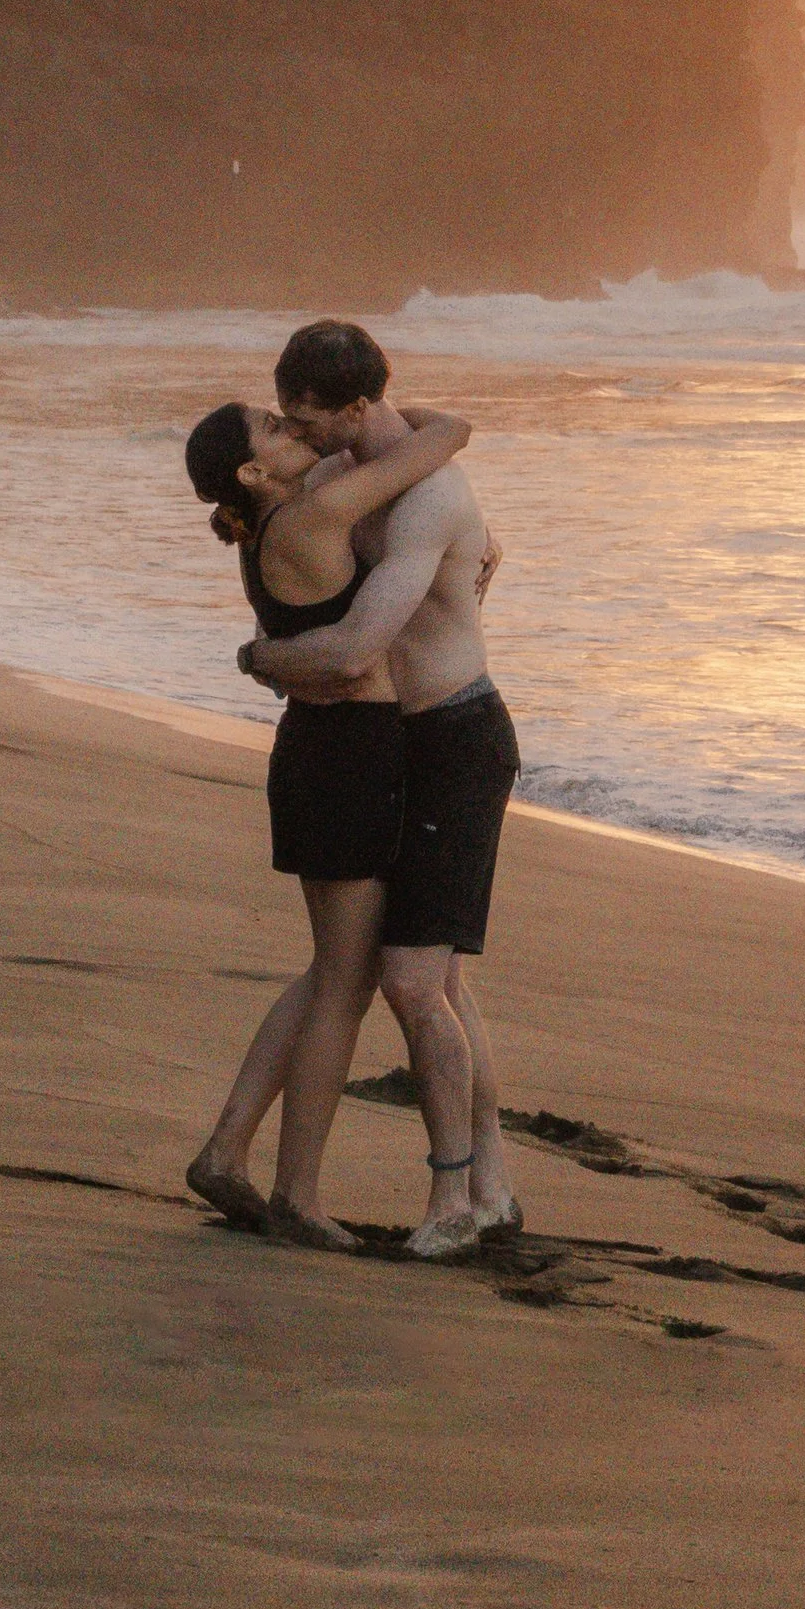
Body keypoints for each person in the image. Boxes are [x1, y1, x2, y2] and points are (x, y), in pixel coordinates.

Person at [243, 319, 521, 1261]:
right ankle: (491, 1180)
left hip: (458, 736)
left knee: (411, 980)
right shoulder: (350, 475)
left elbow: (361, 644)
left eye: (310, 417)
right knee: (436, 980)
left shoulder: (427, 499)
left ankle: (455, 1196)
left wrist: (261, 658)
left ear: (357, 407)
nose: (299, 432)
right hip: (393, 746)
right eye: (288, 416)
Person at [181, 388, 471, 1249]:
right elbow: (442, 442)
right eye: (276, 427)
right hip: (345, 758)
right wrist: (374, 405)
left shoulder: (265, 532)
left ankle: (226, 1147)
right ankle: (297, 1194)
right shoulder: (309, 521)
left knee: (325, 973)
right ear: (252, 470)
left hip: (321, 752)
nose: (291, 427)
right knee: (343, 987)